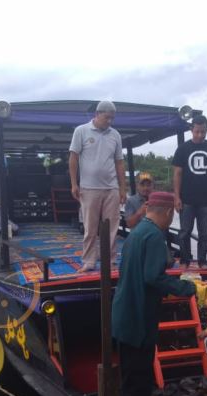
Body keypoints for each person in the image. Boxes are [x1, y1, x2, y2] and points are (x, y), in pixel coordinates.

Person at [112, 192, 196, 396]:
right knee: (136, 366)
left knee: (136, 362)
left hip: (127, 308)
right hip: (137, 313)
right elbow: (153, 277)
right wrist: (187, 288)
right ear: (169, 212)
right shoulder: (154, 236)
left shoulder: (136, 232)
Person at [69, 100, 127, 272]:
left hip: (111, 188)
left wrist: (123, 188)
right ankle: (88, 261)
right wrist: (74, 184)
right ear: (97, 114)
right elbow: (73, 158)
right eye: (107, 117)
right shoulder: (81, 131)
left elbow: (119, 163)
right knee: (90, 227)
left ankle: (109, 260)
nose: (109, 121)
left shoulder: (115, 135)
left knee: (111, 227)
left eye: (112, 118)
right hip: (88, 188)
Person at [172, 115, 207, 268]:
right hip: (186, 199)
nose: (200, 135)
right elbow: (177, 174)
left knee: (204, 232)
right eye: (197, 132)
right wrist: (176, 197)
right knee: (184, 231)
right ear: (191, 130)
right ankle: (185, 259)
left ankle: (202, 260)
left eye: (203, 132)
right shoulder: (182, 149)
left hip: (206, 200)